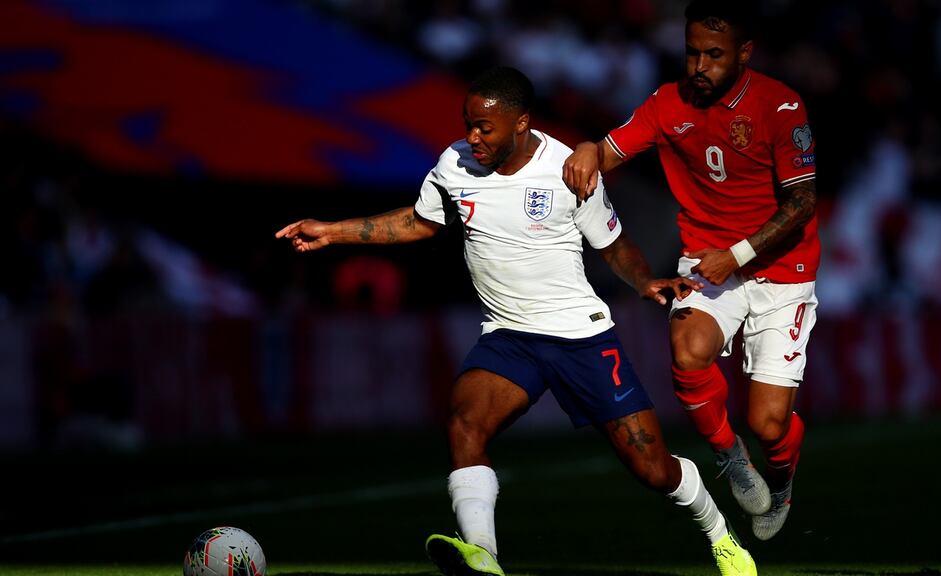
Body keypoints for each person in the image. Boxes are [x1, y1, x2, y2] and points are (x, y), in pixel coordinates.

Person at [277, 66, 756, 576]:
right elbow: (417, 222)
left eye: (485, 127)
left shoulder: (568, 169)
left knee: (653, 468)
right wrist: (333, 231)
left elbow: (614, 245)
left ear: (521, 124)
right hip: (509, 336)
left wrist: (643, 282)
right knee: (465, 423)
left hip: (580, 336)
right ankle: (482, 555)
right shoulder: (454, 165)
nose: (472, 137)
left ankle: (719, 534)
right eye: (468, 124)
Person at [563, 0, 819, 541]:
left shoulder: (780, 107)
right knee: (687, 350)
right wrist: (587, 146)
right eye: (692, 53)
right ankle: (729, 454)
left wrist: (740, 254)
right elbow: (608, 151)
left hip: (782, 269)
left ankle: (782, 475)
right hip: (707, 257)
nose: (699, 66)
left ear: (744, 54)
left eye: (714, 55)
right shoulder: (666, 103)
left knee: (769, 424)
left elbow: (801, 205)